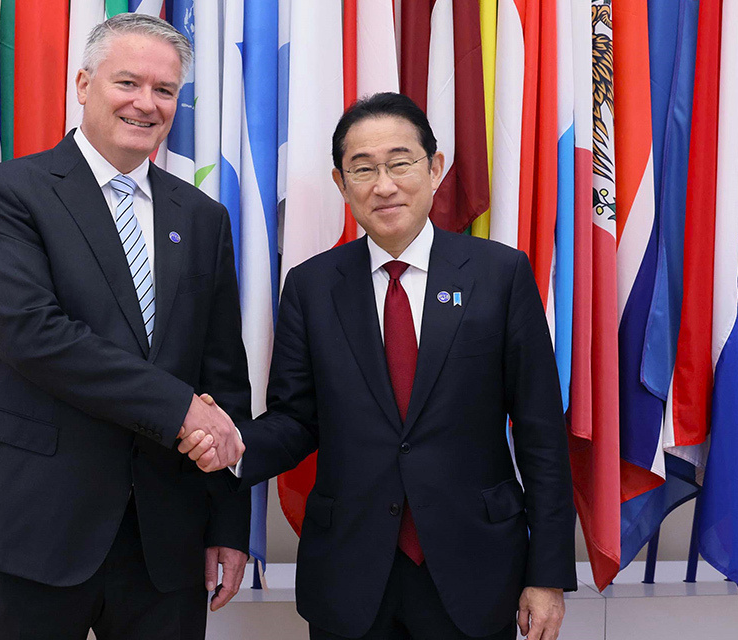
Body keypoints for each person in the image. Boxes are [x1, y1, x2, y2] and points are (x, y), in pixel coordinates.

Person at [182, 92, 577, 640]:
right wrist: (234, 445)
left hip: (474, 566)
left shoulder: (499, 275)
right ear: (342, 185)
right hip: (350, 570)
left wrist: (549, 574)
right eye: (362, 169)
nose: (383, 184)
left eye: (400, 162)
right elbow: (296, 420)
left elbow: (541, 434)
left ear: (435, 168)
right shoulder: (312, 286)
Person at [0, 13, 251, 640]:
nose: (147, 103)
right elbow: (35, 335)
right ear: (83, 84)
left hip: (164, 538)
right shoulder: (8, 192)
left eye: (165, 91)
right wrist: (179, 409)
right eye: (128, 83)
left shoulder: (203, 215)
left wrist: (227, 525)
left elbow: (223, 378)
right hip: (35, 524)